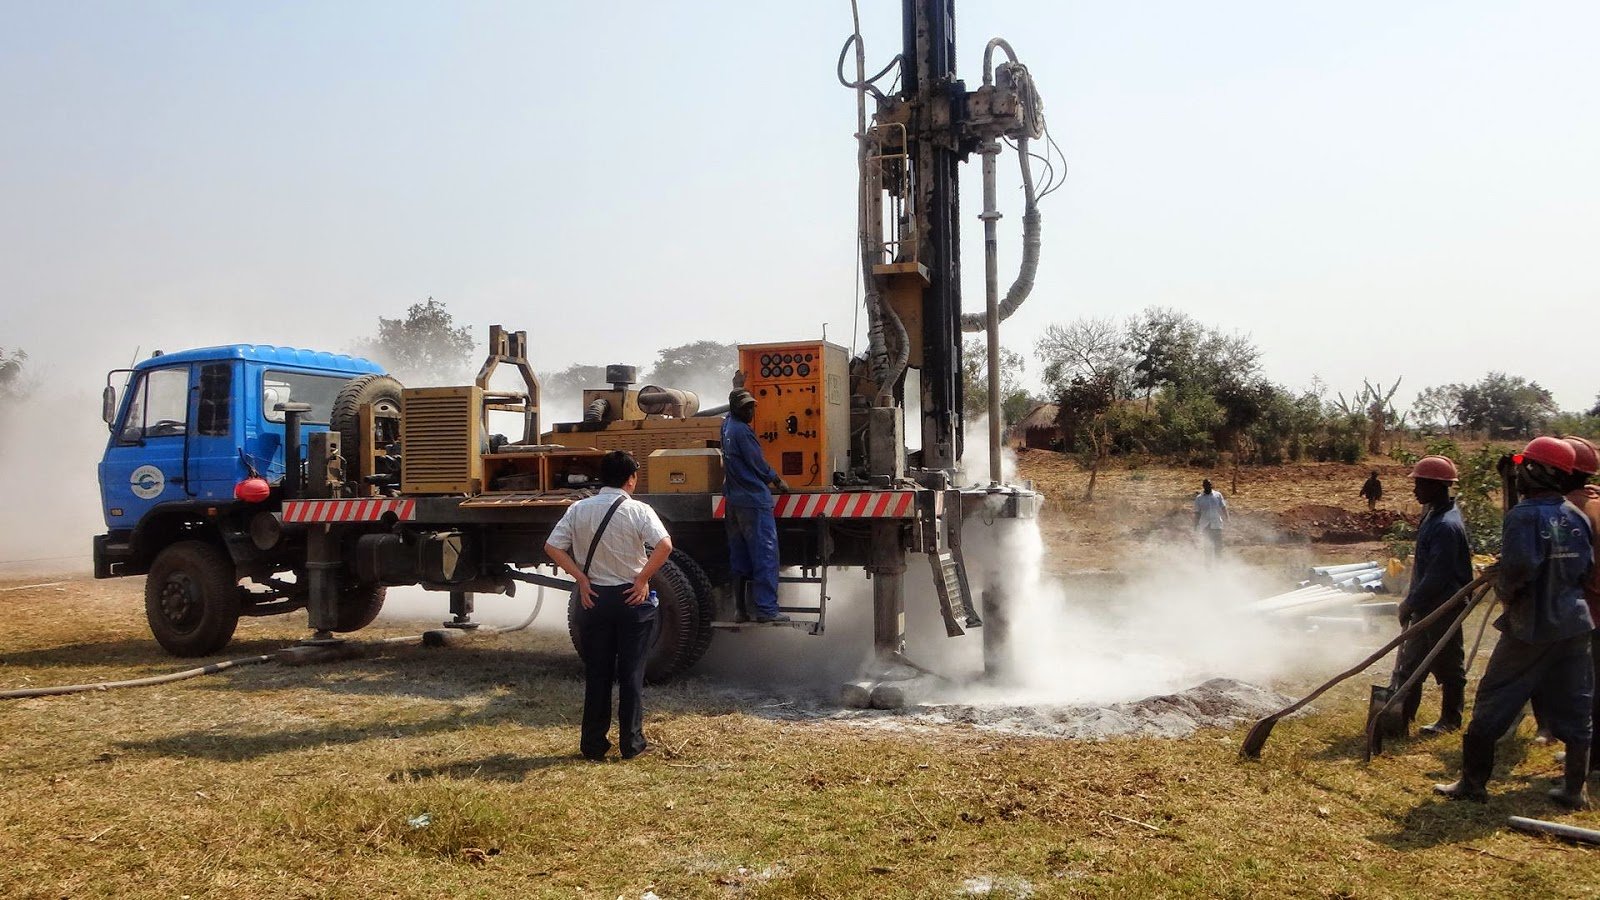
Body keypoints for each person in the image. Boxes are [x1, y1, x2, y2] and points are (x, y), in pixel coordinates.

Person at [1435, 436, 1594, 808]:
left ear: (1539, 471)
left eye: (1524, 465)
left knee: (1494, 698)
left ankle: (1472, 784)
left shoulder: (1524, 516)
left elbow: (1520, 568)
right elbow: (1585, 568)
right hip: (1574, 623)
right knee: (1576, 703)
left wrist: (1503, 585)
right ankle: (1575, 790)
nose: (1518, 472)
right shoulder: (1576, 515)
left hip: (1532, 627)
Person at [544, 451, 672, 762]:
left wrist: (581, 579)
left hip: (594, 598)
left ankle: (593, 745)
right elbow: (664, 546)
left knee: (598, 674)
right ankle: (631, 743)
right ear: (631, 479)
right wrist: (642, 579)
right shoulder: (639, 510)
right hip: (631, 599)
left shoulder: (578, 509)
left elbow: (552, 547)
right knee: (631, 674)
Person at [1388, 455, 1472, 736]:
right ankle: (1401, 715)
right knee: (1411, 663)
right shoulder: (1434, 515)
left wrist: (1410, 603)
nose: (1415, 490)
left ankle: (1450, 719)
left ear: (1437, 486)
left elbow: (1438, 575)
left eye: (1420, 484)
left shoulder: (1446, 525)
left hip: (1443, 606)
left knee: (1448, 666)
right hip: (1427, 605)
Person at [721, 389, 791, 623]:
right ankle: (767, 610)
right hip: (753, 500)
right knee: (765, 555)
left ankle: (740, 610)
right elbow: (756, 462)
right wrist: (776, 480)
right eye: (745, 407)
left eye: (752, 406)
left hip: (733, 501)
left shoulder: (726, 425)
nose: (750, 411)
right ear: (735, 408)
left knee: (739, 557)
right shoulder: (742, 431)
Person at [1560, 436, 1600, 778]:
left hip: (1590, 608)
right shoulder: (1594, 501)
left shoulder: (1570, 511)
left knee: (1587, 687)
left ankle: (1591, 760)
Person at [1193, 479, 1229, 560]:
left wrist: (1227, 518)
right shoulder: (1199, 498)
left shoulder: (1218, 495)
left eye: (1210, 484)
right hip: (1205, 525)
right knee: (1207, 546)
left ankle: (1218, 563)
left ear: (1211, 485)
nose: (1209, 486)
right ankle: (1208, 565)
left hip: (1217, 524)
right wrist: (1195, 525)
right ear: (1203, 486)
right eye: (1206, 485)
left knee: (1218, 546)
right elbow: (1197, 513)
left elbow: (1223, 507)